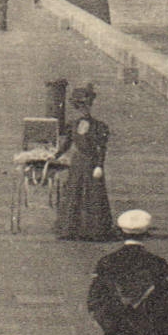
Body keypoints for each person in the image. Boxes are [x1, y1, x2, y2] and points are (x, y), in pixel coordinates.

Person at [53, 85, 115, 241]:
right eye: (80, 106)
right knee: (74, 192)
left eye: (86, 106)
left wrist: (99, 165)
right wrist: (55, 155)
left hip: (91, 162)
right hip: (77, 162)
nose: (84, 109)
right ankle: (71, 228)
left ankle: (93, 230)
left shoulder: (99, 127)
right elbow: (67, 144)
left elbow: (101, 148)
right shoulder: (73, 125)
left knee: (92, 194)